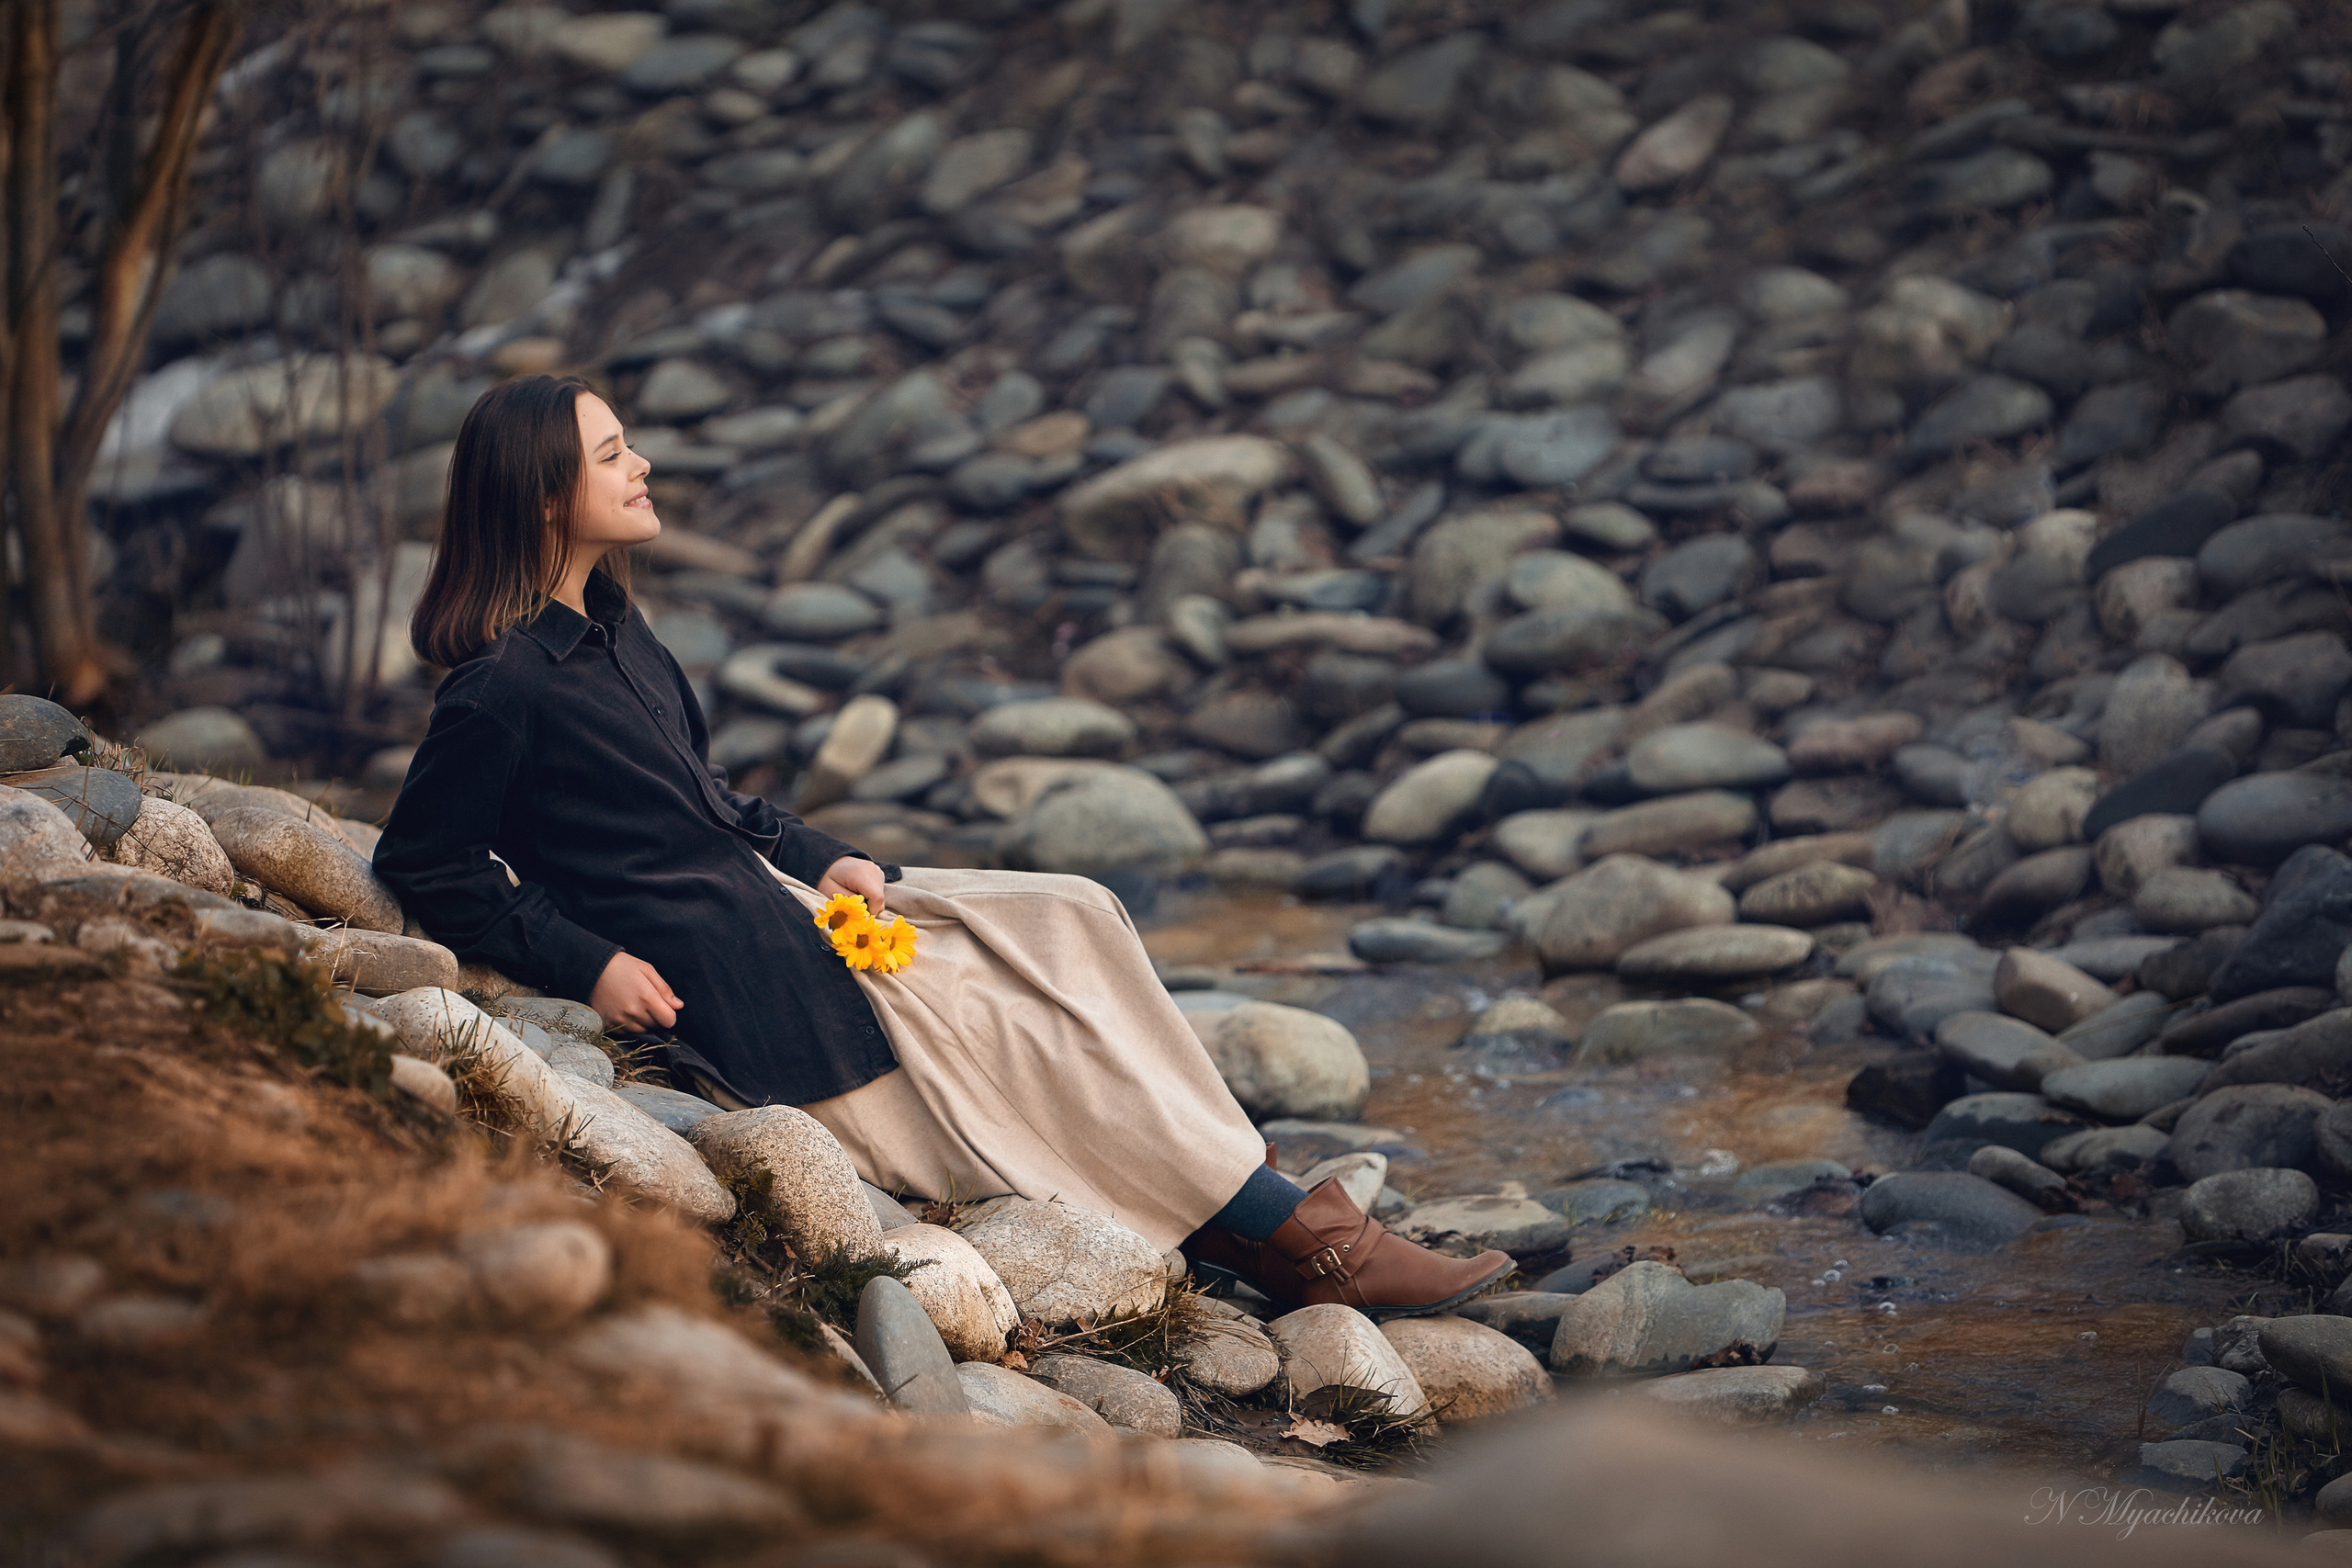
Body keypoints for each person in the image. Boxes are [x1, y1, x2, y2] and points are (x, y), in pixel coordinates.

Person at [372, 373, 1510, 1319]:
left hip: (793, 911)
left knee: (1069, 917)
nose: (642, 467)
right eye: (612, 455)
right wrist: (591, 965)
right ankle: (1303, 1242)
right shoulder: (502, 689)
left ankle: (1268, 1215)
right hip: (750, 985)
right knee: (1031, 1043)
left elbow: (709, 799)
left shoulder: (618, 629)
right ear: (542, 499)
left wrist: (824, 852)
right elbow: (428, 864)